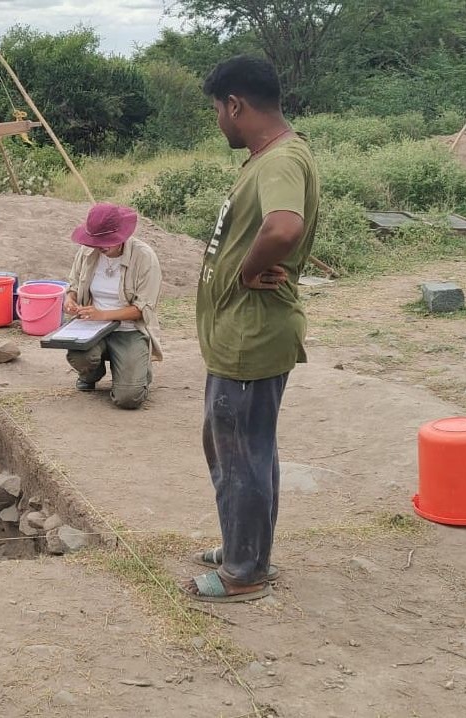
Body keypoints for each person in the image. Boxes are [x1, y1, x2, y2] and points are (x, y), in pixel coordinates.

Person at [183, 56, 320, 603]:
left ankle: (244, 572)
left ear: (235, 105)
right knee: (243, 450)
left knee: (241, 453)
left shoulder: (280, 160)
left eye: (218, 110)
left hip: (251, 336)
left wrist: (244, 269)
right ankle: (247, 545)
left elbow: (284, 226)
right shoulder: (274, 157)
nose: (219, 121)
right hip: (242, 336)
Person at [64, 203, 164, 410]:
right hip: (91, 327)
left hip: (129, 330)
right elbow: (72, 284)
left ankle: (137, 370)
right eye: (96, 241)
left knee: (128, 399)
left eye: (106, 242)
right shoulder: (87, 252)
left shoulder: (144, 257)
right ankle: (92, 372)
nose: (100, 246)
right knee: (78, 354)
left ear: (122, 236)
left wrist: (102, 314)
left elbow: (141, 309)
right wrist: (70, 300)